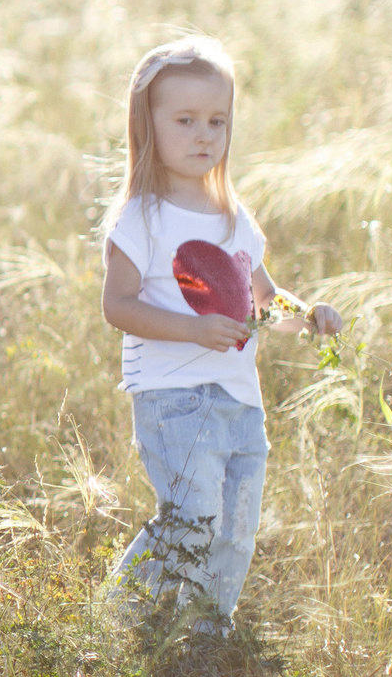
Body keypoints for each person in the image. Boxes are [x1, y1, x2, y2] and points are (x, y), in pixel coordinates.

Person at [101, 36, 342, 629]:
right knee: (191, 519)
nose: (204, 134)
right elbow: (117, 306)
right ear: (148, 124)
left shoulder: (234, 217)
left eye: (217, 120)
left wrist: (309, 316)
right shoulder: (142, 217)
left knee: (235, 529)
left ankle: (206, 633)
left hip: (240, 401)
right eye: (185, 120)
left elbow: (264, 301)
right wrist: (194, 329)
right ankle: (115, 622)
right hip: (174, 398)